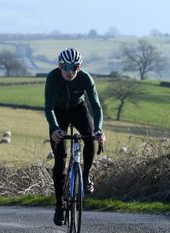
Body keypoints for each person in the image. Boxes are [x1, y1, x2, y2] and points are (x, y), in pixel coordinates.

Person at [44, 47, 106, 226]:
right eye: (65, 67)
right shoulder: (53, 77)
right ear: (59, 66)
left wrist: (99, 130)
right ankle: (59, 206)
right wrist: (55, 128)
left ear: (79, 67)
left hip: (79, 110)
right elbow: (48, 107)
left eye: (74, 67)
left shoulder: (86, 78)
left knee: (90, 138)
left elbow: (96, 106)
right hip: (58, 112)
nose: (70, 71)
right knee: (60, 159)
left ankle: (85, 176)